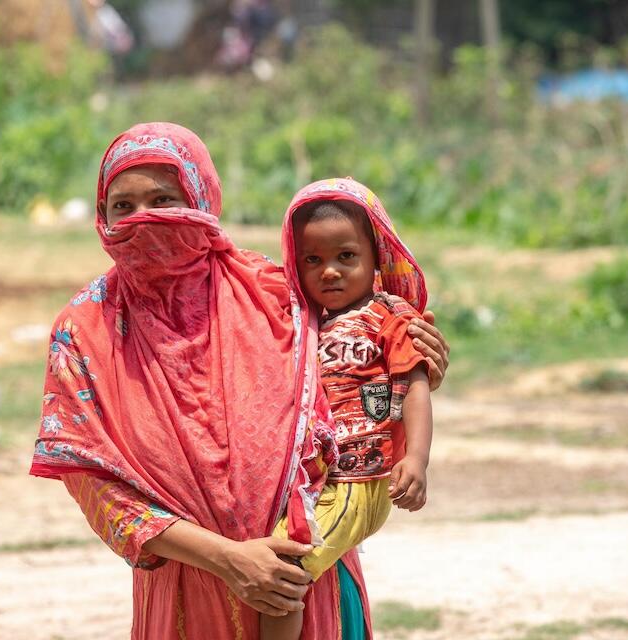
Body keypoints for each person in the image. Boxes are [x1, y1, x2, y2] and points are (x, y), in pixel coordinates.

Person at [29, 123, 450, 639]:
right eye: (124, 206)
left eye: (165, 199)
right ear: (102, 215)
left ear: (202, 198)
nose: (145, 221)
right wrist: (229, 559)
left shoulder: (278, 293)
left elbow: (362, 362)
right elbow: (95, 484)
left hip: (300, 580)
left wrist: (421, 362)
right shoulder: (85, 331)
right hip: (186, 595)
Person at [262, 179, 433, 639]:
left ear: (375, 258)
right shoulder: (305, 321)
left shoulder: (388, 317)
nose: (330, 272)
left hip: (359, 481)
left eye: (346, 257)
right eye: (312, 260)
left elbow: (415, 385)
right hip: (325, 479)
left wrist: (415, 458)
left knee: (281, 569)